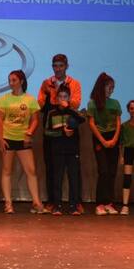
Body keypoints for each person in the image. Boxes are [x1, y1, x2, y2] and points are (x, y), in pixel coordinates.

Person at [0, 70, 46, 214]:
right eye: (10, 80)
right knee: (6, 170)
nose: (11, 83)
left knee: (31, 171)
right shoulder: (4, 99)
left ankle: (36, 202)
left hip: (23, 140)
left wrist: (29, 132)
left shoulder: (30, 99)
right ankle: (8, 203)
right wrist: (0, 139)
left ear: (21, 81)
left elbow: (35, 120)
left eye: (14, 80)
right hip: (8, 138)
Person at [38, 54, 82, 213]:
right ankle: (53, 201)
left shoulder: (74, 83)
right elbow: (40, 103)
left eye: (61, 66)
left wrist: (63, 99)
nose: (58, 69)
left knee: (74, 170)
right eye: (55, 66)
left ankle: (76, 203)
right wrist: (52, 94)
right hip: (52, 127)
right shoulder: (46, 83)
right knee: (52, 166)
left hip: (70, 127)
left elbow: (76, 103)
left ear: (66, 66)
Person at [45, 84, 85, 215]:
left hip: (72, 150)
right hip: (57, 151)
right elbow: (47, 132)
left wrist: (69, 108)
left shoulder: (73, 112)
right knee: (57, 179)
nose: (62, 99)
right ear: (56, 98)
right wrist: (63, 132)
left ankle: (73, 206)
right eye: (60, 96)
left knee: (74, 179)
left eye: (65, 97)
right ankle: (57, 206)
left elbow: (82, 119)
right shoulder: (52, 113)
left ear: (69, 98)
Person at [87, 72, 122, 216]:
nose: (111, 90)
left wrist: (114, 139)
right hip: (99, 138)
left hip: (113, 138)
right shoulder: (93, 103)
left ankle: (109, 203)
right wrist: (102, 141)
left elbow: (118, 123)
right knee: (104, 171)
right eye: (109, 87)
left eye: (113, 88)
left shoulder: (115, 103)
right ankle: (100, 204)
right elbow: (91, 123)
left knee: (112, 172)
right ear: (102, 87)